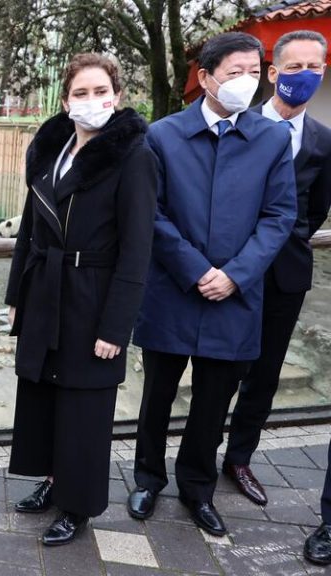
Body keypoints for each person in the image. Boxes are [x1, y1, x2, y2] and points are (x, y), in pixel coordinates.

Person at [128, 32, 297, 537]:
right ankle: (147, 477)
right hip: (172, 290)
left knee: (213, 400)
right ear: (204, 77)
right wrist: (195, 269)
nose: (246, 82)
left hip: (236, 296)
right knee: (157, 392)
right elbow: (149, 213)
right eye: (234, 72)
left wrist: (236, 274)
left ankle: (197, 487)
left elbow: (279, 215)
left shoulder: (270, 139)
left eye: (254, 72)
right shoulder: (162, 135)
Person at [4, 53, 157, 546]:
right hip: (45, 292)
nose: (91, 102)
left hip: (93, 297)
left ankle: (78, 505)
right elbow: (29, 229)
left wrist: (116, 327)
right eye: (80, 93)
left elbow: (137, 250)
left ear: (116, 96)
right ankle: (52, 482)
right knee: (46, 395)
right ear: (66, 101)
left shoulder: (133, 156)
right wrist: (16, 296)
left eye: (100, 92)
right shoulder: (52, 149)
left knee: (84, 409)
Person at [223, 31, 331, 510]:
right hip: (230, 270)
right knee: (220, 368)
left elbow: (317, 208)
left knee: (264, 374)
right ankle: (199, 457)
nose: (304, 75)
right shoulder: (236, 124)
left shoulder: (324, 140)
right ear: (272, 72)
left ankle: (240, 457)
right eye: (293, 67)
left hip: (286, 274)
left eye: (315, 66)